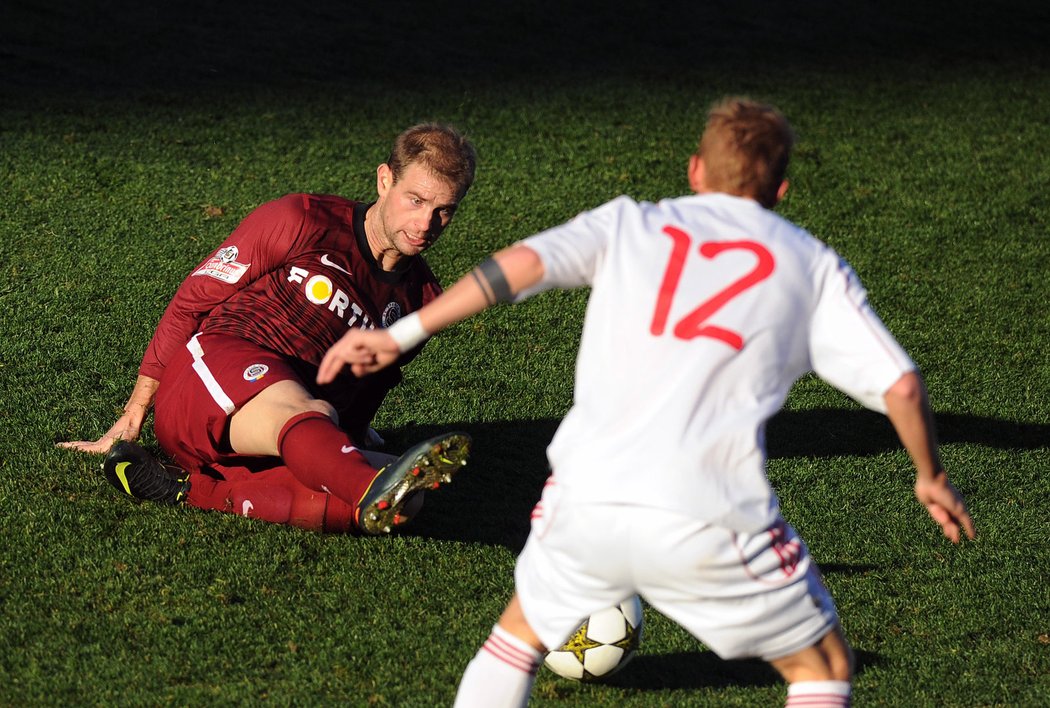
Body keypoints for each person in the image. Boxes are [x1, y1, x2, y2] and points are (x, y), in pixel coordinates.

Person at [317, 98, 976, 705]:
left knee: (514, 640)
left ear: (695, 171)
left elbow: (515, 268)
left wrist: (399, 332)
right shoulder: (810, 264)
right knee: (824, 668)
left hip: (586, 498)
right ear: (780, 188)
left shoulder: (631, 224)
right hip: (710, 513)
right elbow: (903, 385)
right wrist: (931, 475)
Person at [59, 123, 477, 535]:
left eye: (444, 210)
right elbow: (192, 302)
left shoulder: (422, 300)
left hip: (279, 431)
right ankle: (363, 484)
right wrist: (134, 414)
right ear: (385, 180)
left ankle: (185, 488)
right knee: (318, 418)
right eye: (416, 200)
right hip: (212, 376)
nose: (426, 225)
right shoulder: (302, 219)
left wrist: (342, 444)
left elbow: (369, 384)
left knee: (408, 500)